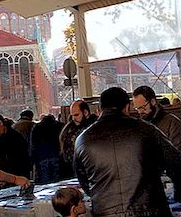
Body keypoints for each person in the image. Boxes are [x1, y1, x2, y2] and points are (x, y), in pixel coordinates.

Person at [74, 87, 181, 217]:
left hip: (106, 211)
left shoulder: (83, 140)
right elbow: (176, 164)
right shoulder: (147, 130)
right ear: (127, 107)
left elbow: (83, 179)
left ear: (100, 109)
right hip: (150, 210)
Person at [132, 86, 181, 150]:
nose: (139, 112)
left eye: (142, 107)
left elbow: (177, 152)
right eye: (137, 108)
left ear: (153, 102)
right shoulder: (140, 123)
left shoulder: (173, 123)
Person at [0, 112, 31, 178]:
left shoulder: (16, 137)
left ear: (0, 123)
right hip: (4, 176)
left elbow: (21, 160)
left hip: (19, 175)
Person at [59, 100, 93, 178]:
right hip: (73, 170)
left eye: (76, 115)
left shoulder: (68, 129)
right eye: (72, 115)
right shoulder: (68, 129)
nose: (74, 118)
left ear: (85, 113)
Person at [30, 114, 64, 184]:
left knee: (45, 181)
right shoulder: (59, 126)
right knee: (58, 180)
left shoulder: (37, 127)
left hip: (42, 157)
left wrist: (33, 160)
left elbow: (33, 145)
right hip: (56, 155)